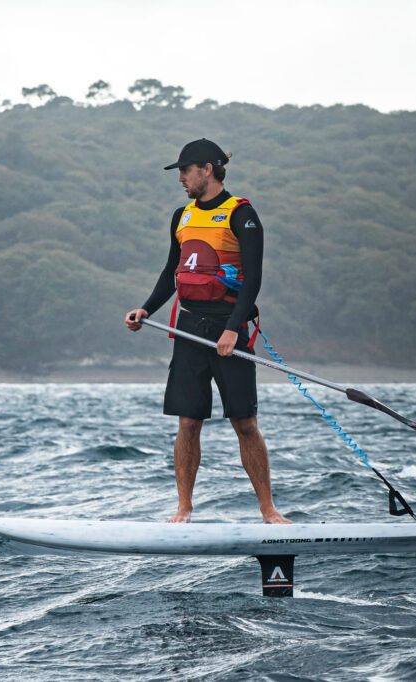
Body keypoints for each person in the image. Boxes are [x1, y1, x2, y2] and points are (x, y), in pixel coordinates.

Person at [125, 138, 290, 525]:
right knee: (188, 421)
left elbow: (253, 280)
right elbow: (171, 272)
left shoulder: (241, 215)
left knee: (244, 422)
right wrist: (146, 308)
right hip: (189, 329)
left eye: (185, 169)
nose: (180, 177)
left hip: (227, 328)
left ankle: (268, 510)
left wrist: (233, 329)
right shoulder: (181, 216)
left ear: (207, 169)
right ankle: (183, 508)